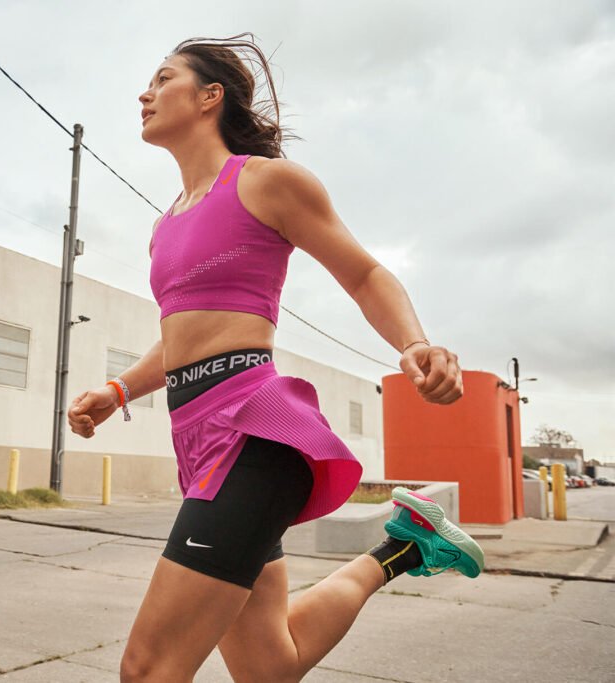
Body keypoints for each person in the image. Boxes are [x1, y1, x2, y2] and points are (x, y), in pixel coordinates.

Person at [67, 34, 484, 683]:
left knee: (148, 669)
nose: (144, 94)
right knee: (269, 665)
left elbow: (364, 273)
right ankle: (403, 548)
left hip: (252, 435)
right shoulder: (164, 225)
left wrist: (414, 344)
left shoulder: (265, 182)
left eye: (163, 78)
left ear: (210, 96)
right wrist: (119, 390)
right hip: (195, 439)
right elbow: (182, 336)